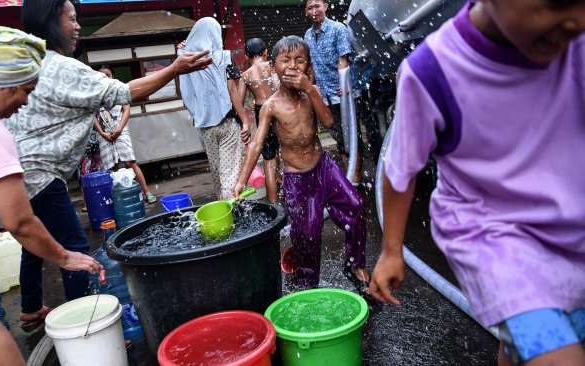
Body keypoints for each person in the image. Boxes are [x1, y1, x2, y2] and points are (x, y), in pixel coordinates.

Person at [370, 1, 585, 365]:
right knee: (554, 353)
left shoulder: (574, 44)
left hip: (569, 230)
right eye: (558, 2)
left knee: (522, 342)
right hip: (493, 239)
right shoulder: (432, 71)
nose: (577, 20)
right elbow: (400, 169)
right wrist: (392, 250)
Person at [3, 0, 211, 327]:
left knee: (35, 237)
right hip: (40, 172)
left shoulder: (30, 61)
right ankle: (86, 325)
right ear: (49, 19)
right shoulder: (62, 67)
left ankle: (30, 308)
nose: (76, 27)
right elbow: (125, 92)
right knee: (74, 247)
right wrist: (173, 69)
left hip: (16, 169)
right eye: (71, 19)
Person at [0, 24, 102, 366]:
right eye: (26, 90)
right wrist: (66, 257)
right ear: (3, 83)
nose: (25, 102)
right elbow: (20, 222)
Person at [233, 36, 374, 301]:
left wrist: (310, 89)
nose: (292, 66)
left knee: (355, 205)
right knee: (308, 235)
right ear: (273, 67)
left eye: (300, 60)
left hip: (323, 166)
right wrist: (241, 181)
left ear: (308, 67)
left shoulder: (313, 93)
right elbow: (257, 145)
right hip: (297, 179)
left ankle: (354, 265)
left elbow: (329, 121)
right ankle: (308, 286)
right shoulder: (271, 106)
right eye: (285, 61)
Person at [179, 17, 251, 200]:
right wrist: (245, 121)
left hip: (204, 127)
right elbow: (232, 89)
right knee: (231, 174)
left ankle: (222, 212)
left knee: (217, 172)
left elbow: (186, 94)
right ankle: (233, 215)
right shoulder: (223, 57)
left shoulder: (185, 60)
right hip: (227, 123)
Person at [304, 0, 364, 186]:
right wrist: (309, 89)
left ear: (326, 6)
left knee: (351, 136)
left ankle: (357, 179)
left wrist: (343, 82)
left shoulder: (338, 29)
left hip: (342, 94)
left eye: (317, 6)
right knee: (338, 136)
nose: (314, 11)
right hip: (324, 96)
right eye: (310, 8)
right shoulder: (307, 35)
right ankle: (349, 177)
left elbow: (343, 59)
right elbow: (312, 66)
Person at [94, 65, 157, 204]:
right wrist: (102, 133)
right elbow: (92, 116)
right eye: (101, 75)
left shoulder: (119, 89)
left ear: (113, 76)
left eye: (107, 75)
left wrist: (119, 129)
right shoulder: (93, 94)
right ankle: (118, 200)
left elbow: (126, 111)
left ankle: (146, 192)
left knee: (129, 162)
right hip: (104, 134)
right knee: (112, 167)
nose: (104, 78)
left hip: (121, 131)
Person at [238, 38, 280, 203]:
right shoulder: (271, 66)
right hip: (278, 107)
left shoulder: (245, 76)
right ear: (265, 52)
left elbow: (239, 103)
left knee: (268, 159)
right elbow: (278, 86)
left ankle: (274, 202)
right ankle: (290, 190)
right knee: (286, 151)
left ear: (247, 56)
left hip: (261, 112)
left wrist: (245, 123)